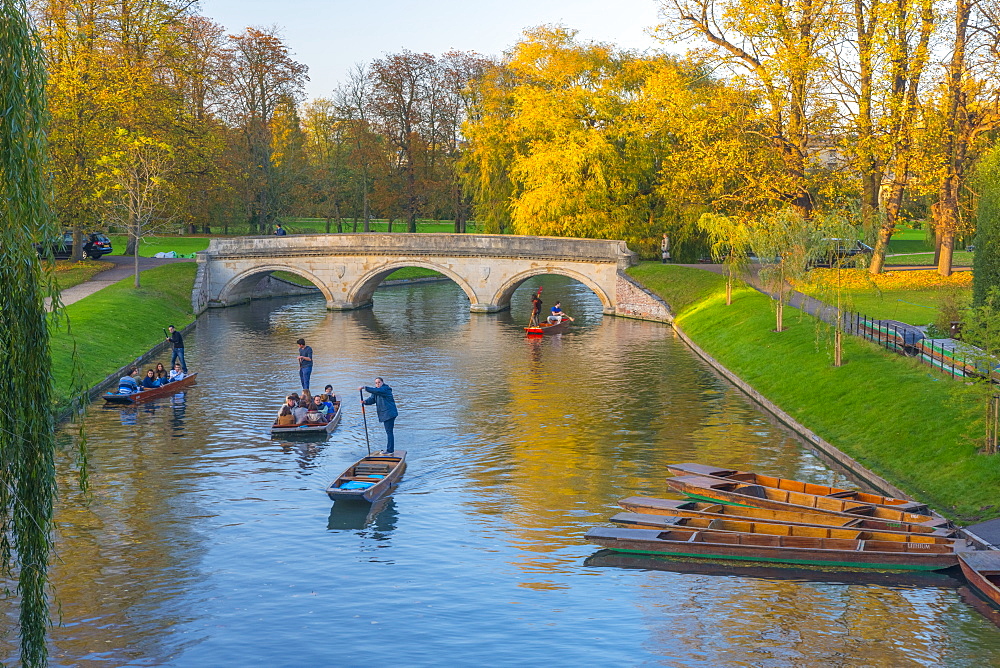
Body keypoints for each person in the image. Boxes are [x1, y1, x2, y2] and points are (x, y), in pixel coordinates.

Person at [360, 377, 399, 454]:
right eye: (376, 383)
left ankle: (390, 450)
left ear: (382, 382)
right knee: (389, 432)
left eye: (379, 382)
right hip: (385, 414)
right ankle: (389, 449)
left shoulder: (385, 389)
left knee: (389, 432)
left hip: (389, 413)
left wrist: (365, 387)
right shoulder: (376, 391)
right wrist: (365, 402)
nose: (377, 384)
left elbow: (378, 391)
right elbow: (372, 399)